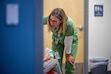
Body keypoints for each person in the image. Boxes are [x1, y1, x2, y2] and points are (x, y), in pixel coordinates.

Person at [43, 8, 78, 74]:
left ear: (61, 21)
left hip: (71, 42)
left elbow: (68, 42)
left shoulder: (69, 24)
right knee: (57, 62)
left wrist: (68, 55)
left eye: (54, 21)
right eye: (50, 20)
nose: (51, 23)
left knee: (69, 62)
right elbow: (37, 19)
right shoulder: (50, 19)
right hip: (57, 41)